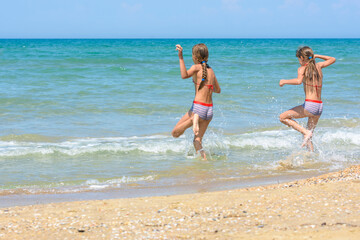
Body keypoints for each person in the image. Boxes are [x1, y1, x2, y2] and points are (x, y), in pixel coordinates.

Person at [279, 46, 336, 151]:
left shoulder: (302, 69)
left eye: (298, 59)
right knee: (308, 137)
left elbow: (298, 81)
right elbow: (332, 59)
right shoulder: (318, 66)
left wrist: (284, 81)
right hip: (319, 107)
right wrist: (317, 56)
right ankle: (312, 157)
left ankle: (305, 132)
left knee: (283, 117)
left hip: (310, 105)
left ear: (301, 57)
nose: (299, 61)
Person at [171, 43, 221, 160]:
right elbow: (218, 90)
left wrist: (180, 57)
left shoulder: (196, 68)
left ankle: (194, 119)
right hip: (209, 111)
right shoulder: (211, 71)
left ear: (194, 57)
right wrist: (207, 87)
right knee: (197, 141)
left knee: (175, 133)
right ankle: (204, 161)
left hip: (198, 109)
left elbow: (184, 75)